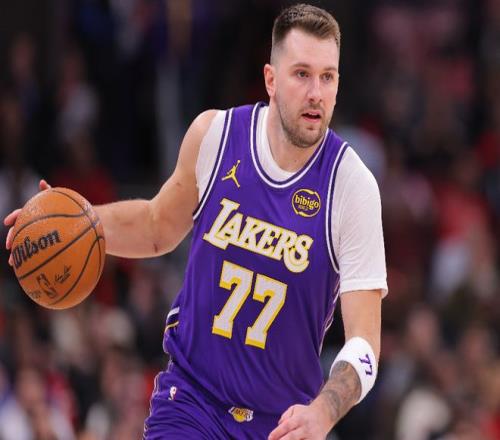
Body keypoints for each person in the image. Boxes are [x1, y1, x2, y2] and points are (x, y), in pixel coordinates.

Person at [4, 4, 387, 439]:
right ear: (271, 79)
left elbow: (364, 344)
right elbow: (156, 226)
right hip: (192, 401)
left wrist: (324, 411)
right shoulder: (216, 136)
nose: (316, 92)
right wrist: (78, 223)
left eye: (327, 77)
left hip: (283, 421)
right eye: (302, 74)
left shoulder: (351, 185)